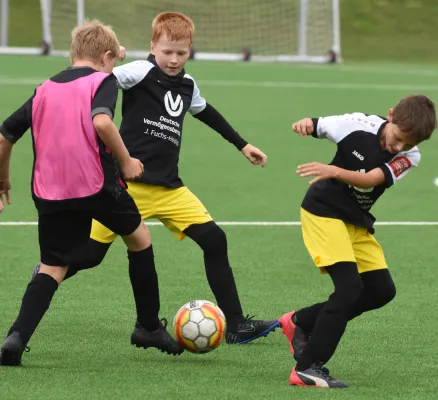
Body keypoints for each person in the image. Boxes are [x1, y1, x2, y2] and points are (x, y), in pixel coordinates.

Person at [31, 12, 278, 345]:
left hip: (170, 189)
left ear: (190, 50)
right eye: (167, 52)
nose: (174, 60)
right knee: (88, 257)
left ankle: (235, 324)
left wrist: (243, 144)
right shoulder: (139, 71)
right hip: (125, 188)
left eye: (181, 53)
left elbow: (206, 112)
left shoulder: (188, 86)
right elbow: (98, 79)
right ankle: (46, 276)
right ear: (153, 47)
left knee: (215, 240)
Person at [0, 20, 184, 366]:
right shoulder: (104, 80)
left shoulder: (45, 88)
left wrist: (2, 180)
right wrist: (127, 161)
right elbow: (101, 121)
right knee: (140, 238)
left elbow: (4, 136)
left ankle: (16, 337)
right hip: (97, 184)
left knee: (53, 267)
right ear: (106, 57)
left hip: (49, 189)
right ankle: (147, 325)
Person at [278, 95, 437, 388]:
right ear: (390, 116)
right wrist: (305, 124)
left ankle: (300, 322)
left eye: (408, 144)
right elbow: (321, 125)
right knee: (349, 288)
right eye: (398, 138)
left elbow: (374, 178)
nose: (398, 147)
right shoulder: (358, 125)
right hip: (323, 212)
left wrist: (333, 171)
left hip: (355, 221)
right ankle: (308, 367)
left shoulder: (410, 155)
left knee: (380, 290)